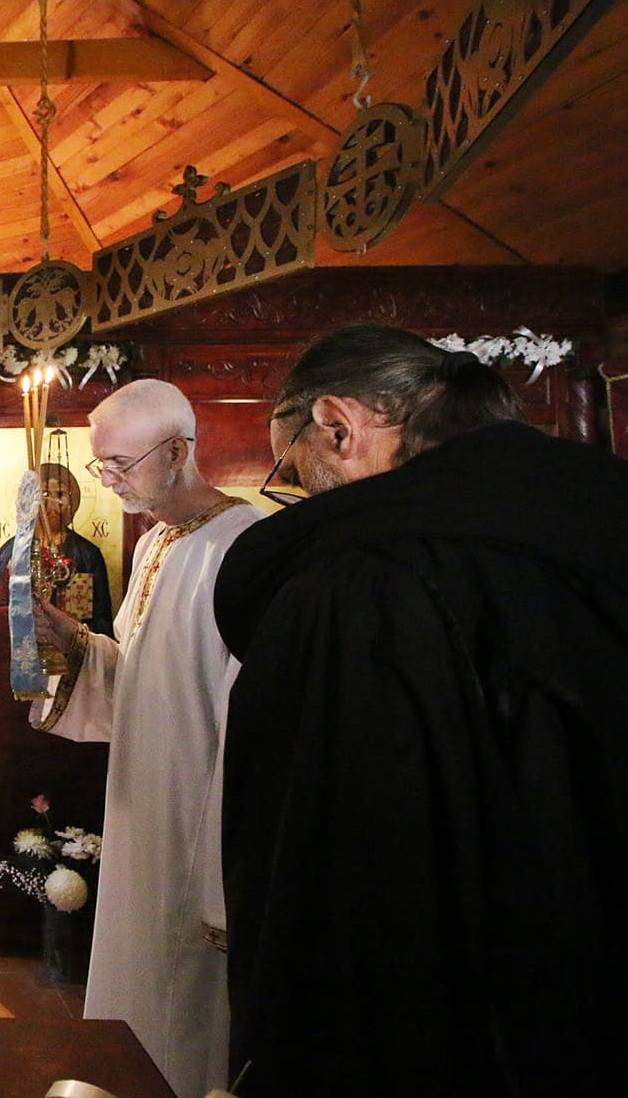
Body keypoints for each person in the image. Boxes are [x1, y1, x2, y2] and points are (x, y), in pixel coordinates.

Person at [213, 324, 628, 1096]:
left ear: (336, 426)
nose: (301, 499)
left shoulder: (358, 584)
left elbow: (330, 882)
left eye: (294, 473)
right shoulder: (603, 510)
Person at [27, 379, 260, 1098]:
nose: (107, 480)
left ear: (178, 452)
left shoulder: (242, 545)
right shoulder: (156, 540)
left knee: (187, 995)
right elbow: (134, 671)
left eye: (120, 464)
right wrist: (74, 638)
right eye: (100, 464)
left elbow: (248, 706)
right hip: (140, 802)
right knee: (138, 972)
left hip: (198, 812)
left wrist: (223, 850)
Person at [0, 461, 114, 642]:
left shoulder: (87, 554)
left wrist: (71, 629)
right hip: (26, 652)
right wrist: (25, 616)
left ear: (72, 502)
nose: (52, 503)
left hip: (72, 652)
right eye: (44, 494)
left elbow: (102, 621)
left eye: (60, 494)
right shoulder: (12, 551)